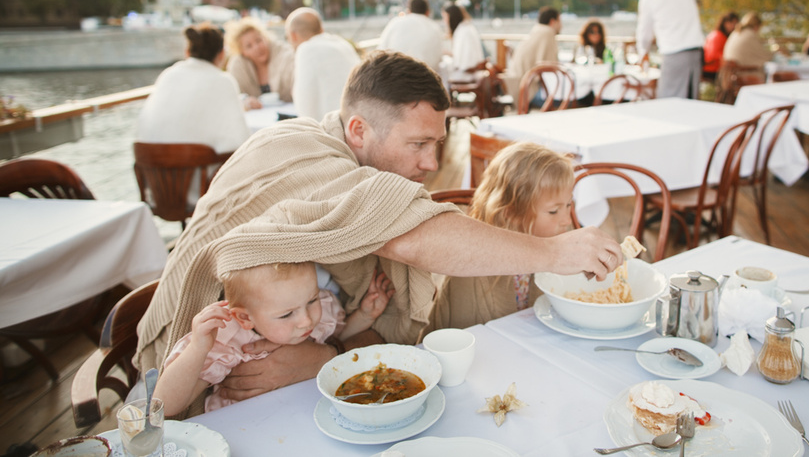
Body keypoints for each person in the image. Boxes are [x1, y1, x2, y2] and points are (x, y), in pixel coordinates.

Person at [135, 50, 621, 417]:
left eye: (438, 145)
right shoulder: (311, 161)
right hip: (193, 389)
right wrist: (554, 251)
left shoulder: (350, 167)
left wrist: (321, 357)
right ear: (359, 130)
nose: (431, 165)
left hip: (295, 366)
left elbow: (359, 318)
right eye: (418, 144)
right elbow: (413, 236)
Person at [154, 262, 393, 416]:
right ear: (245, 317)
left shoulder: (312, 308)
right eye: (287, 314)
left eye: (312, 301)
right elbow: (164, 405)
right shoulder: (228, 338)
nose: (306, 321)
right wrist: (198, 348)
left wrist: (364, 315)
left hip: (308, 415)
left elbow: (337, 338)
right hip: (246, 429)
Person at [428, 142, 575, 331]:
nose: (566, 219)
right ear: (511, 213)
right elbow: (458, 338)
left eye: (569, 205)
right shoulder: (472, 273)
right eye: (554, 211)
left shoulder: (551, 249)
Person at [136, 23, 250, 208]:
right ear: (222, 54)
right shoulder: (222, 81)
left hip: (158, 189)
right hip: (202, 194)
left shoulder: (168, 75)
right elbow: (240, 143)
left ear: (187, 51)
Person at [635, 0, 705, 99]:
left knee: (668, 100)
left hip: (674, 52)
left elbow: (644, 32)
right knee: (691, 98)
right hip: (696, 51)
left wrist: (643, 53)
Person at [285, 7, 361, 121]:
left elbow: (304, 104)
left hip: (337, 126)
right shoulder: (342, 44)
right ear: (321, 29)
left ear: (293, 35)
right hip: (359, 118)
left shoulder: (306, 50)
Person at [224, 17, 295, 108]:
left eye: (259, 40)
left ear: (265, 38)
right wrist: (245, 101)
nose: (257, 48)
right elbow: (233, 96)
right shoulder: (239, 67)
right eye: (249, 46)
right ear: (243, 52)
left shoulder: (285, 55)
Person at [377, 0, 444, 72]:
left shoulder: (395, 23)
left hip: (395, 75)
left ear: (409, 11)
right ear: (428, 12)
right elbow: (438, 58)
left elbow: (380, 51)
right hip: (425, 77)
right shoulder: (435, 27)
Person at [504, 6, 561, 96]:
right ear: (552, 22)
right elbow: (553, 68)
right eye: (560, 21)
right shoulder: (547, 33)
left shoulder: (537, 30)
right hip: (528, 91)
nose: (561, 25)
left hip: (516, 85)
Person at [722, 12, 773, 80]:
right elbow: (763, 56)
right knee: (771, 72)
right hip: (743, 73)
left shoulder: (736, 32)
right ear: (756, 26)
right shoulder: (750, 34)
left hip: (731, 75)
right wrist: (776, 53)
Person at [443, 3, 486, 75]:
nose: (444, 21)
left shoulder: (461, 31)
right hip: (475, 71)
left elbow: (459, 61)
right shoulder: (467, 27)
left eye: (445, 17)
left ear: (451, 17)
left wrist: (445, 53)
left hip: (466, 73)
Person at [702, 12, 739, 80]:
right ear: (724, 23)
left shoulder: (716, 34)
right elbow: (714, 55)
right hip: (711, 69)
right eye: (731, 23)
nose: (733, 26)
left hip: (710, 68)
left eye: (735, 23)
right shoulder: (718, 36)